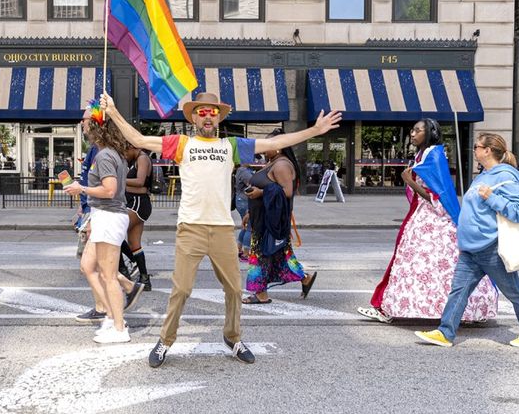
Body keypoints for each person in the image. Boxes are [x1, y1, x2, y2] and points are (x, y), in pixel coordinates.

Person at [101, 91, 341, 368]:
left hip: (222, 229)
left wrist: (315, 130)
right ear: (193, 117)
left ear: (218, 117)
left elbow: (276, 142)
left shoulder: (231, 146)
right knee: (181, 290)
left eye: (212, 112)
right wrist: (114, 112)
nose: (207, 116)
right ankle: (165, 341)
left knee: (234, 289)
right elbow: (139, 141)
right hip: (191, 228)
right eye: (201, 111)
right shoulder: (182, 144)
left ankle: (233, 337)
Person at [358, 119, 496, 324]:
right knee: (425, 265)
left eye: (417, 130)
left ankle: (390, 309)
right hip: (424, 217)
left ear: (430, 132)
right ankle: (395, 307)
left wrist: (409, 181)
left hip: (434, 219)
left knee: (423, 264)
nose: (412, 134)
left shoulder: (434, 155)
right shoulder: (423, 154)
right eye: (412, 130)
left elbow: (437, 196)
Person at [417, 133, 519, 349]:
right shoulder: (484, 175)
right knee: (459, 290)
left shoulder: (504, 176)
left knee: (513, 290)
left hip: (490, 248)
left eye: (477, 146)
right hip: (470, 249)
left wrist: (492, 198)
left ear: (488, 151)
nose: (474, 150)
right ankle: (445, 332)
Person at [63, 112, 144, 344]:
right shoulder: (109, 153)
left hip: (109, 216)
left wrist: (82, 189)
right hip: (103, 215)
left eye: (86, 120)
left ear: (98, 126)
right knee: (88, 266)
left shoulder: (106, 155)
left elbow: (109, 190)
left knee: (109, 276)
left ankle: (119, 328)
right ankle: (112, 316)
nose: (82, 123)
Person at [242, 132, 317, 304]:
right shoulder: (273, 162)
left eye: (267, 144)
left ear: (278, 146)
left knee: (260, 255)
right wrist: (250, 212)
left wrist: (261, 192)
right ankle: (305, 278)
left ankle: (261, 295)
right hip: (265, 218)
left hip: (270, 222)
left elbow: (287, 192)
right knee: (280, 255)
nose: (263, 147)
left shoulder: (281, 165)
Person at [122, 146, 153, 291]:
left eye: (125, 151)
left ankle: (124, 270)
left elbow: (140, 182)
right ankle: (144, 279)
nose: (124, 155)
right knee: (134, 244)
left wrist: (120, 181)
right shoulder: (136, 160)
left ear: (132, 147)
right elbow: (140, 188)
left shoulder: (142, 158)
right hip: (136, 203)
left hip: (138, 204)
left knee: (114, 232)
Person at [233, 164, 254, 261]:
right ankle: (246, 254)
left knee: (245, 227)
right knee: (250, 227)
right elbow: (253, 183)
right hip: (245, 201)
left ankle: (239, 250)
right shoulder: (244, 171)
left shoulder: (240, 170)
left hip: (240, 200)